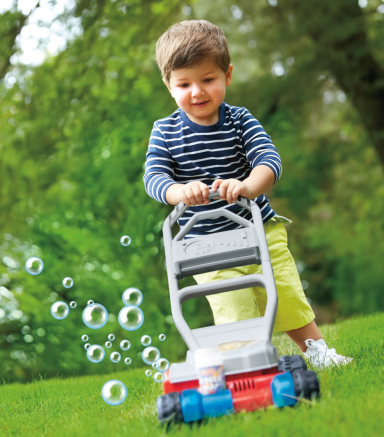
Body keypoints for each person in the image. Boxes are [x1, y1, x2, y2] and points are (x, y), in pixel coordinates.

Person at [144, 20, 351, 369]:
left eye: (207, 79)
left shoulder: (240, 120)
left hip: (257, 228)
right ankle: (249, 368)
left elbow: (268, 160)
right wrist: (179, 191)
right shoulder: (164, 131)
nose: (197, 92)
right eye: (184, 84)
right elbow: (154, 177)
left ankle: (318, 352)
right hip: (204, 245)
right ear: (169, 85)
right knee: (233, 311)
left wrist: (248, 186)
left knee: (285, 292)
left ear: (227, 75)